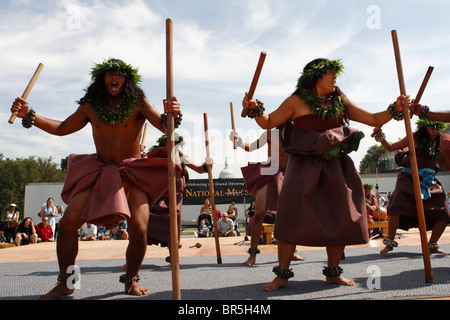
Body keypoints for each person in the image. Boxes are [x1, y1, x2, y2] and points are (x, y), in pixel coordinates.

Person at [10, 58, 181, 299]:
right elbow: (62, 128)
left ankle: (131, 280)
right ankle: (67, 282)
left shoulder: (139, 103)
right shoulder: (91, 106)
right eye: (110, 75)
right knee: (68, 225)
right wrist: (30, 115)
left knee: (140, 228)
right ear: (102, 80)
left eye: (119, 75)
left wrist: (172, 114)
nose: (114, 79)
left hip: (131, 173)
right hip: (101, 171)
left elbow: (166, 128)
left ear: (127, 80)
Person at [241, 58, 410, 291]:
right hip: (302, 168)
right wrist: (255, 109)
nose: (335, 77)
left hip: (336, 167)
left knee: (339, 214)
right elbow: (268, 122)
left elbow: (373, 119)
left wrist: (395, 109)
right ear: (315, 77)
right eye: (330, 73)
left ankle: (332, 272)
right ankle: (282, 275)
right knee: (291, 215)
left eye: (334, 73)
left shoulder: (340, 102)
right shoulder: (296, 102)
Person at [372, 120, 450, 255]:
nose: (435, 131)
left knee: (444, 213)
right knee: (396, 207)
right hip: (408, 178)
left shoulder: (437, 145)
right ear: (424, 128)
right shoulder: (413, 138)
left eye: (437, 129)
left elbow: (448, 166)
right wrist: (381, 136)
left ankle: (432, 245)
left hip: (429, 182)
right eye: (432, 128)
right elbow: (390, 147)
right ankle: (389, 243)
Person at [230, 130, 305, 266]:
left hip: (291, 174)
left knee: (291, 216)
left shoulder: (299, 131)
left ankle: (292, 251)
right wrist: (238, 140)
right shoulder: (271, 133)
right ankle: (252, 254)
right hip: (271, 173)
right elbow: (251, 147)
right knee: (259, 213)